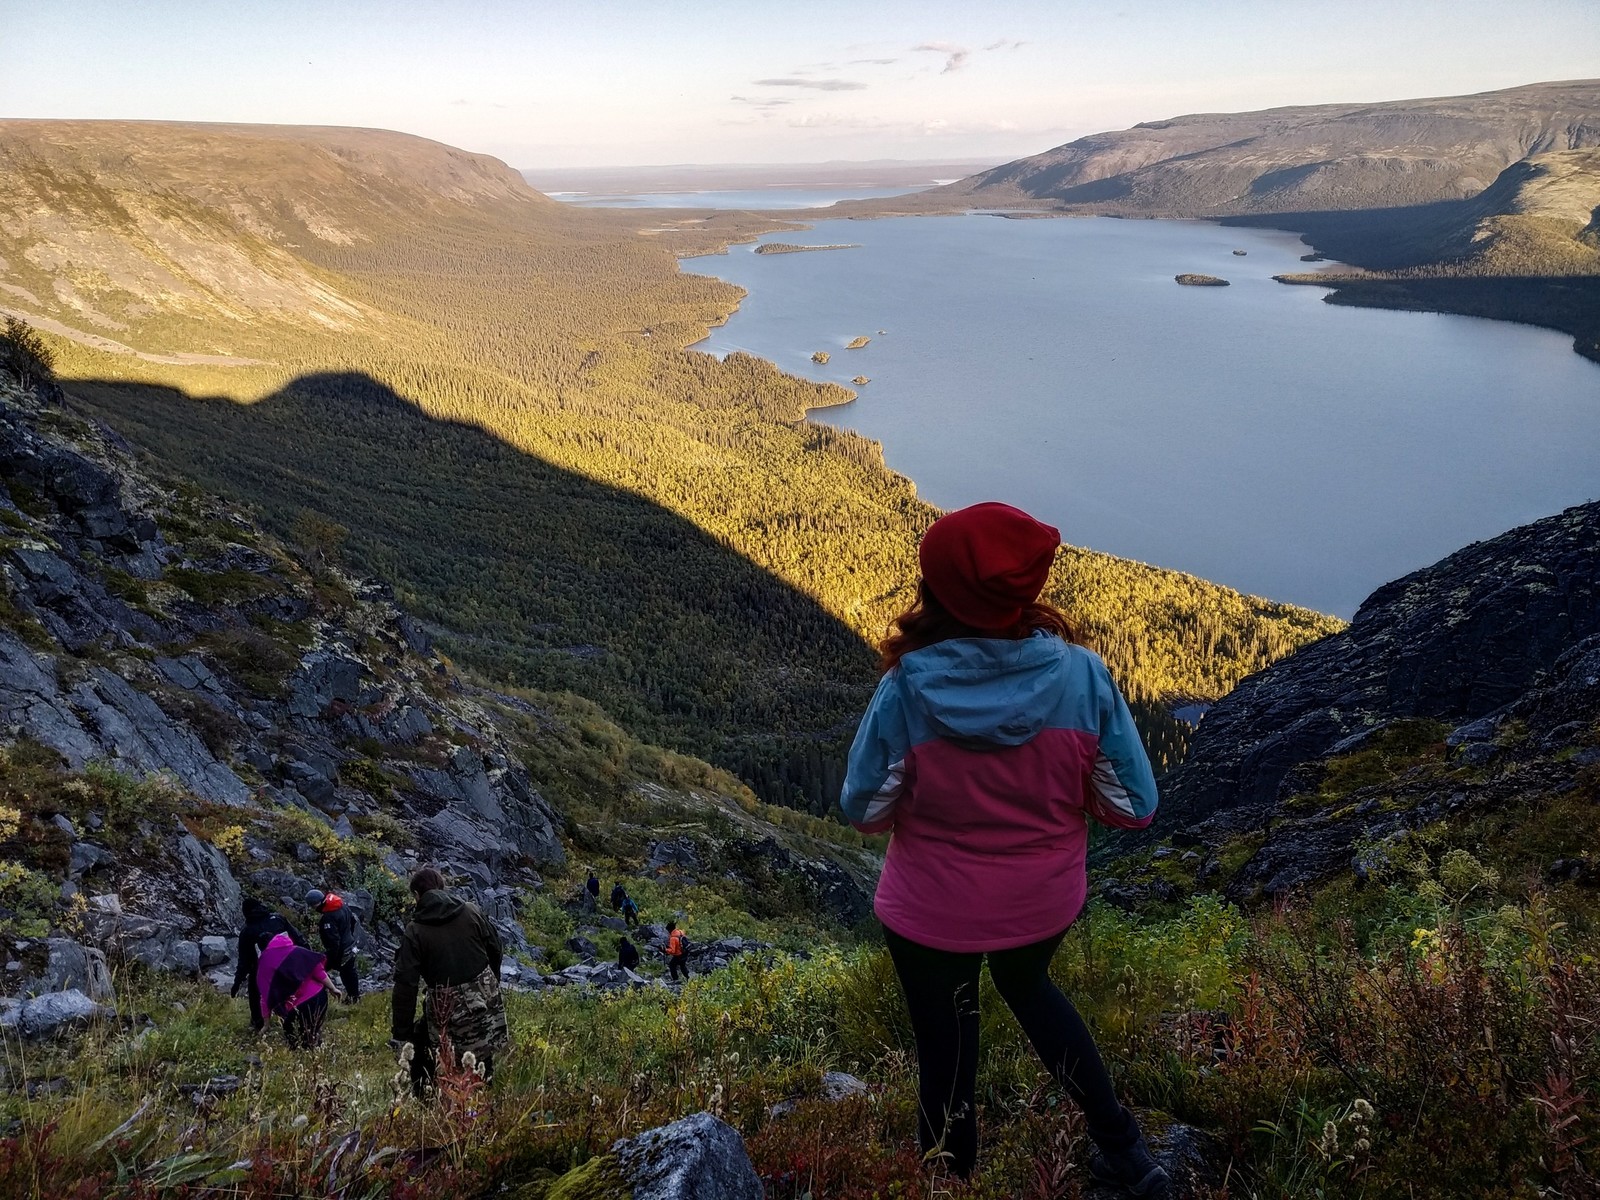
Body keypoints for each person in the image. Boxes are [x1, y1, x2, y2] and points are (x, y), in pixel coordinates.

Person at [841, 502, 1169, 1197]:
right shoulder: (1084, 677)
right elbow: (1134, 806)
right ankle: (1124, 1150)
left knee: (947, 1047)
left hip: (931, 910)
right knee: (1031, 991)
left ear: (937, 592)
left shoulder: (905, 689)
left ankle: (951, 1182)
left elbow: (864, 811)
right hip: (1038, 903)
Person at [392, 867, 509, 1095]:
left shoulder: (415, 931)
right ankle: (485, 1098)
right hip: (484, 995)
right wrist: (491, 983)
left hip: (445, 1001)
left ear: (417, 896)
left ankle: (429, 1099)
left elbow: (406, 985)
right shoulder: (471, 911)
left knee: (423, 1047)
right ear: (442, 887)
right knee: (482, 1048)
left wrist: (401, 1032)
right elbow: (495, 949)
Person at [232, 898, 306, 1033]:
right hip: (288, 963)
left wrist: (237, 982)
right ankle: (297, 1017)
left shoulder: (247, 932)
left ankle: (258, 1023)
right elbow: (298, 938)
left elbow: (244, 961)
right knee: (295, 991)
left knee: (255, 992)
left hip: (262, 969)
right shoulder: (278, 919)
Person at [256, 931, 333, 1048]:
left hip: (297, 1007)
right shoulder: (296, 950)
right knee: (313, 1032)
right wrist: (333, 988)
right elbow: (317, 969)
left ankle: (312, 1059)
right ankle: (321, 1055)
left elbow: (266, 995)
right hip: (319, 997)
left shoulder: (265, 963)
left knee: (296, 1042)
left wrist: (266, 1024)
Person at [306, 889, 362, 1003]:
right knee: (349, 972)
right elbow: (353, 922)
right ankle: (354, 997)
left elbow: (333, 942)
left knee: (317, 972)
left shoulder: (328, 918)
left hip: (341, 950)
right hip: (350, 944)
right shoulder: (342, 906)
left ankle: (316, 1000)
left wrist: (331, 959)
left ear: (316, 904)